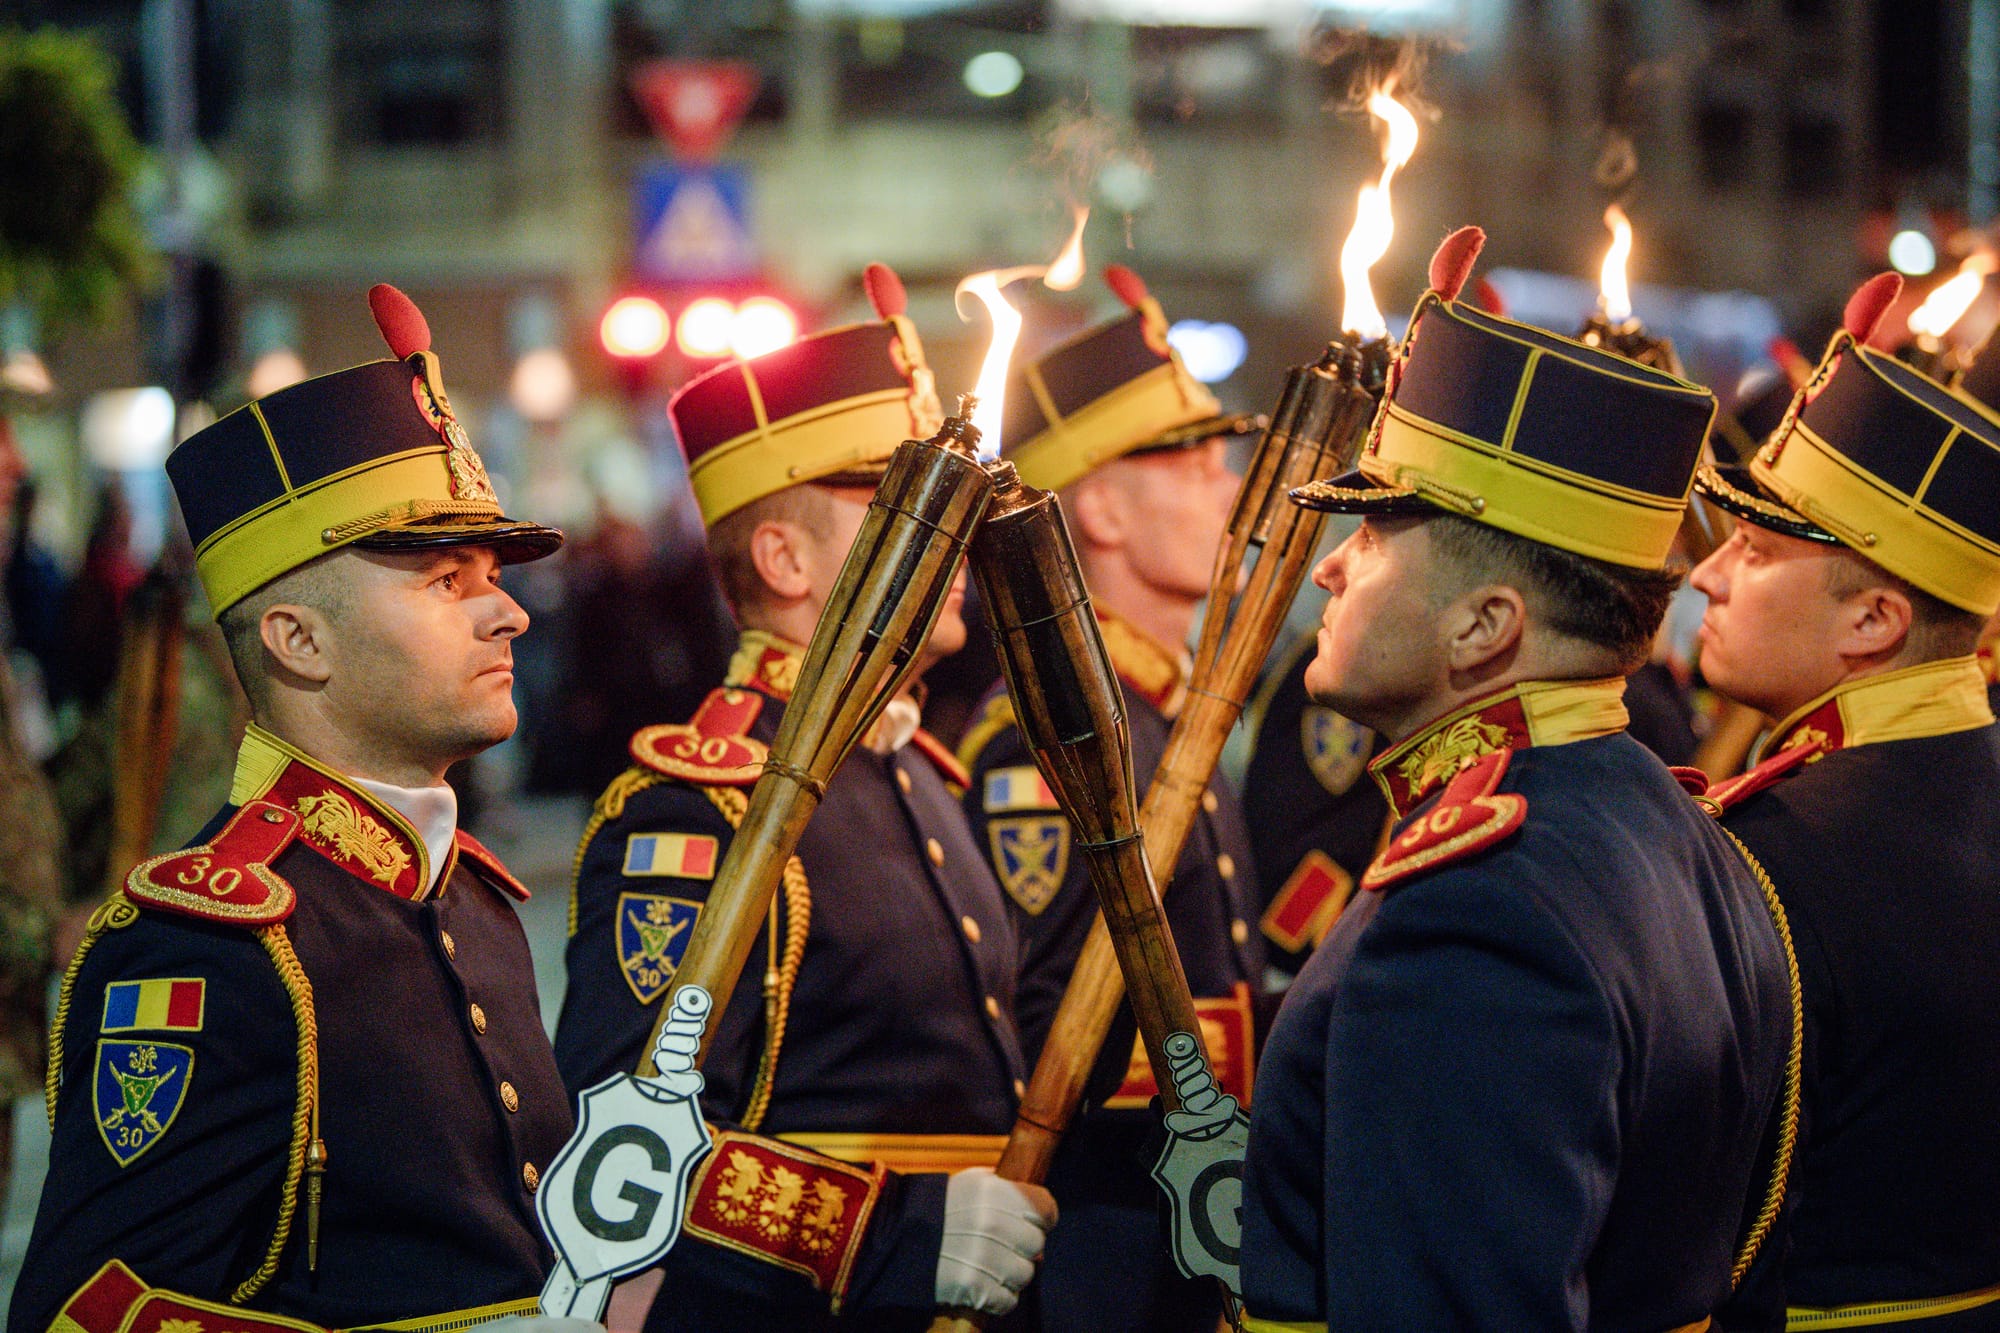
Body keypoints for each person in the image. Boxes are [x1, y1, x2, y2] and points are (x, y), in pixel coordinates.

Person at [1238, 228, 1795, 1330]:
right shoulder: (1675, 825)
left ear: (1484, 626)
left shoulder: (1476, 913)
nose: (1331, 563)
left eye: (1378, 532)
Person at [11, 286, 581, 1332]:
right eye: (444, 580)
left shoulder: (474, 900)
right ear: (298, 640)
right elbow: (92, 1310)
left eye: (494, 574)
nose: (507, 610)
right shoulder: (206, 945)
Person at [553, 265, 1054, 1332]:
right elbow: (619, 1158)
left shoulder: (916, 768)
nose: (952, 531)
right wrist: (892, 1235)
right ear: (783, 558)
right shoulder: (702, 810)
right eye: (900, 504)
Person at [954, 265, 1263, 1333]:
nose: (1228, 486)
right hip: (1104, 1249)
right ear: (1102, 511)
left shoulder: (1169, 715)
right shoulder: (1047, 742)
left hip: (1189, 1233)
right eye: (1191, 465)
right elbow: (1040, 1027)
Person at [1694, 273, 2000, 1330]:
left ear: (1873, 620)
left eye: (1753, 550)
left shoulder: (1774, 853)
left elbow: (1712, 1242)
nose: (1707, 575)